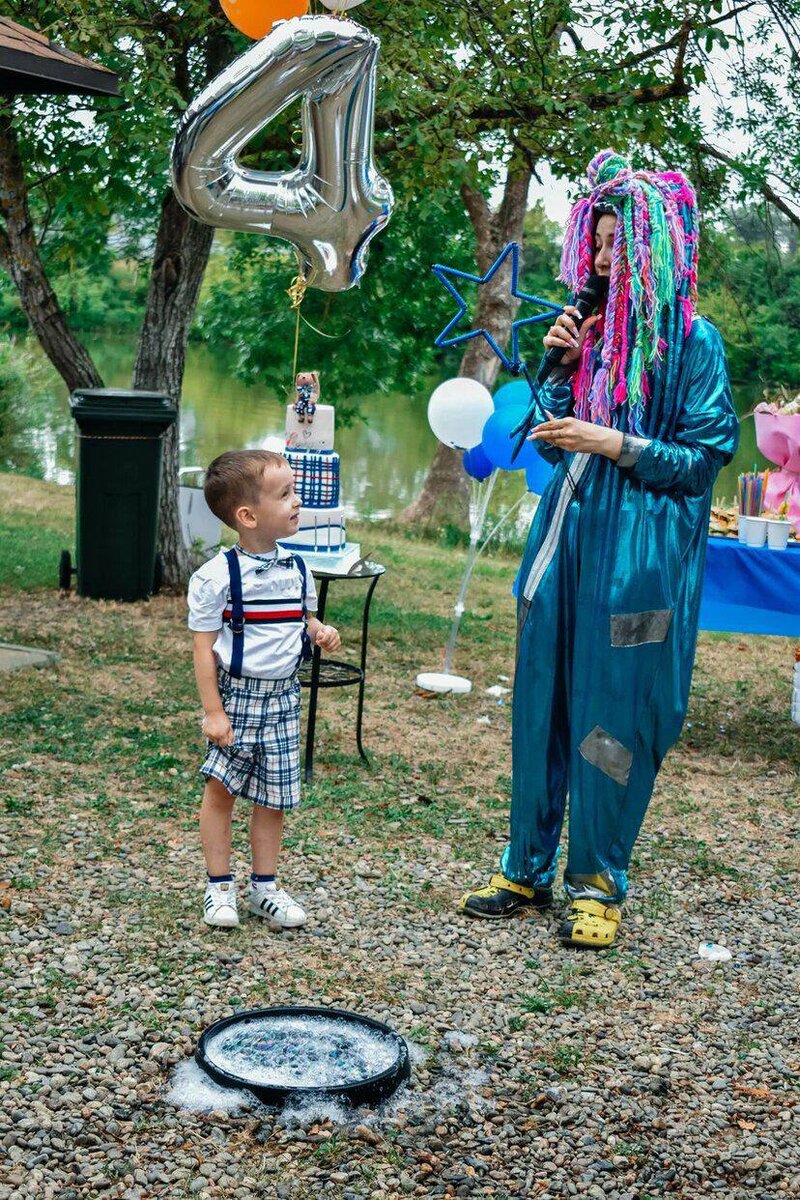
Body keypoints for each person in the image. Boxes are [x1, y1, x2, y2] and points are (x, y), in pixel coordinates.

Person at [460, 150, 739, 948]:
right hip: (562, 540)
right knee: (543, 704)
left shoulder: (693, 343)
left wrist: (615, 441)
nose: (604, 258)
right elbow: (549, 444)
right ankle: (525, 865)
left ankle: (597, 883)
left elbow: (701, 461)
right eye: (600, 244)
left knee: (613, 714)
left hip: (640, 559)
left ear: (654, 249)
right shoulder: (588, 332)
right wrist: (559, 376)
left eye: (620, 245)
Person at [187, 450, 341, 929]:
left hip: (283, 699)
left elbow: (302, 618)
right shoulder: (216, 577)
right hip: (238, 698)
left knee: (274, 797)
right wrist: (214, 710)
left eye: (294, 492)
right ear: (248, 516)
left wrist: (319, 630)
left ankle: (265, 888)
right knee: (221, 791)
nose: (298, 502)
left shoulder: (297, 568)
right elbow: (203, 649)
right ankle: (219, 889)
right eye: (286, 495)